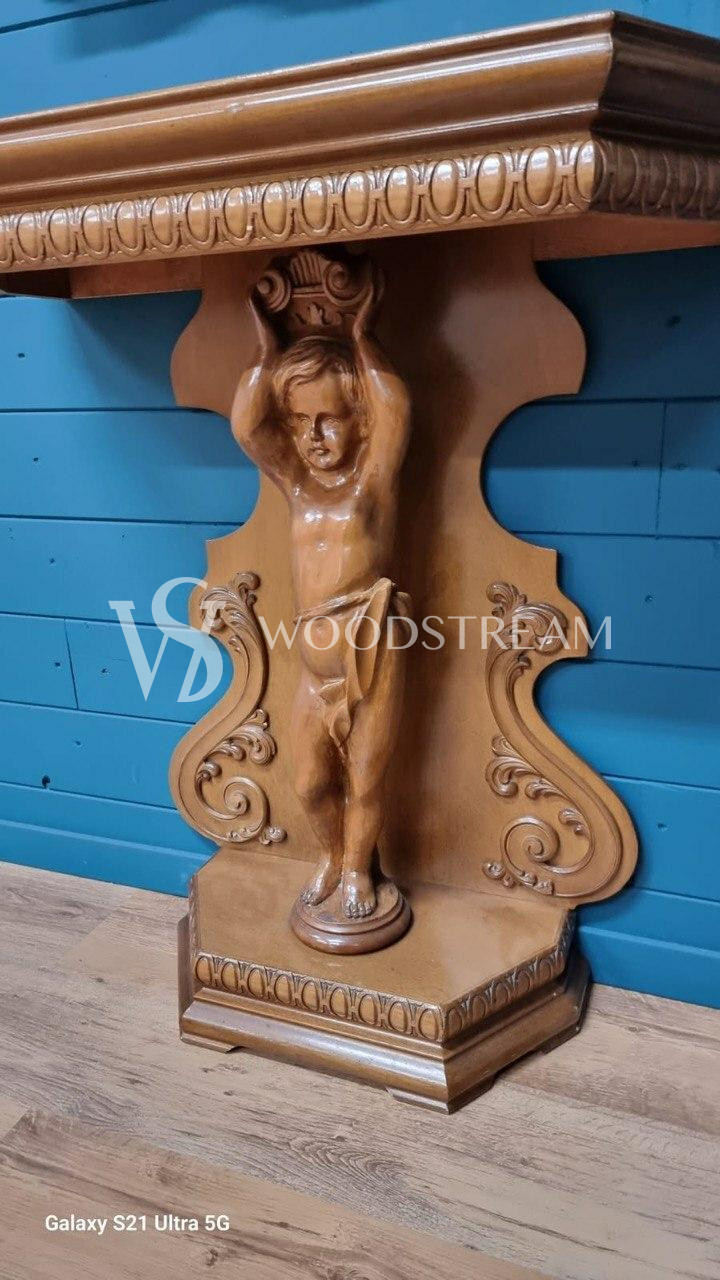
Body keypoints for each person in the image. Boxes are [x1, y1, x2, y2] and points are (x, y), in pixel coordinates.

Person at [231, 270, 411, 919]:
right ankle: (332, 856)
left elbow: (395, 412)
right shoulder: (299, 487)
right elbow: (249, 429)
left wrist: (363, 339)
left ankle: (359, 870)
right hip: (315, 670)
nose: (313, 436)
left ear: (359, 422)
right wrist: (267, 348)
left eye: (330, 419)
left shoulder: (373, 488)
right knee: (310, 783)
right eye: (302, 421)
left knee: (366, 778)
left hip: (372, 660)